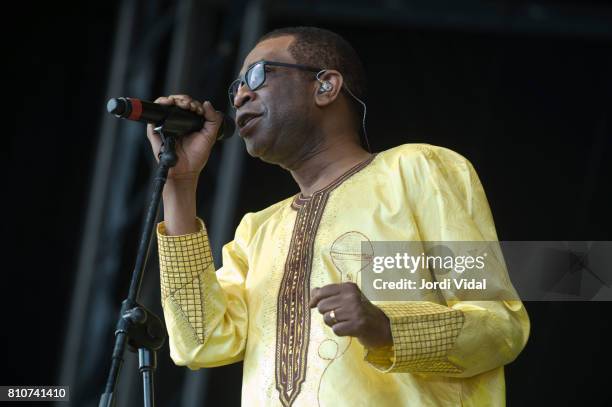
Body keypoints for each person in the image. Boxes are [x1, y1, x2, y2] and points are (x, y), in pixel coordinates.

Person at [148, 26, 530, 406]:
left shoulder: (418, 169)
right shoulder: (257, 230)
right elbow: (200, 342)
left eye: (259, 75)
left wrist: (386, 327)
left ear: (326, 86)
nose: (241, 96)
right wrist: (179, 187)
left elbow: (499, 326)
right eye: (236, 89)